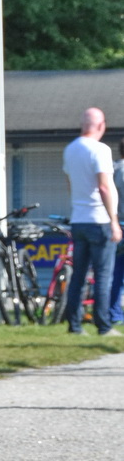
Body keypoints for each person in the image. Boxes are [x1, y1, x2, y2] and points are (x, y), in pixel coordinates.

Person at [62, 107, 121, 336]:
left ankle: (74, 325)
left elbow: (70, 184)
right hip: (99, 220)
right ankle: (103, 325)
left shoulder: (70, 149)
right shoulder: (100, 150)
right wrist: (113, 220)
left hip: (79, 220)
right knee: (103, 275)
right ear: (101, 125)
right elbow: (104, 186)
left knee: (78, 275)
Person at [108, 139, 124, 324]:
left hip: (113, 225)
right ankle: (114, 313)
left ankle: (112, 312)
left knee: (114, 273)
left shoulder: (111, 169)